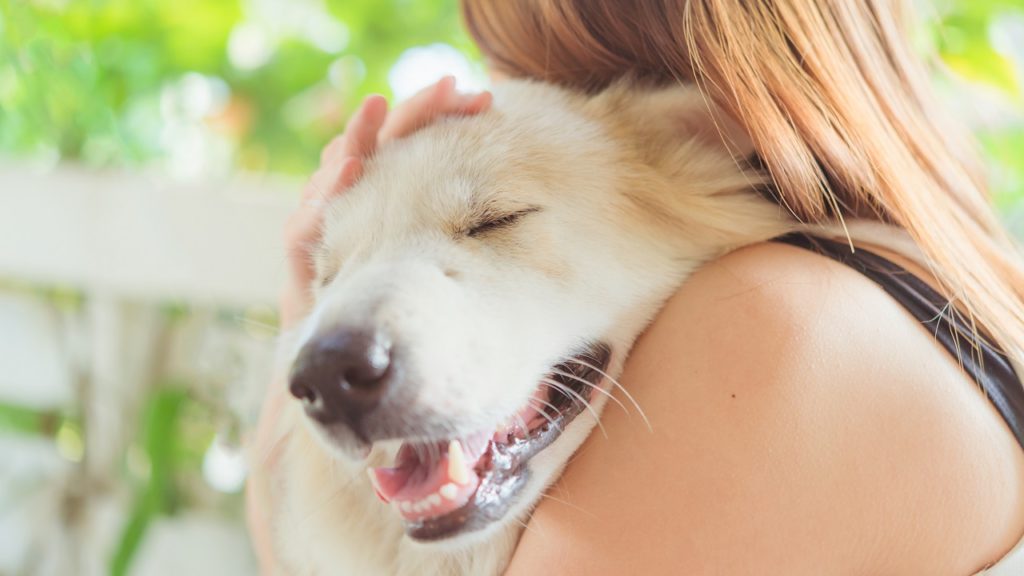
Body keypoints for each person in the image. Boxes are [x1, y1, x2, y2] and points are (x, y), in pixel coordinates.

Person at [248, 1, 1024, 573]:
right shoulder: (922, 291)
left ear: (718, 136)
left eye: (494, 219)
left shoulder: (767, 319)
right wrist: (309, 294)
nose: (487, 99)